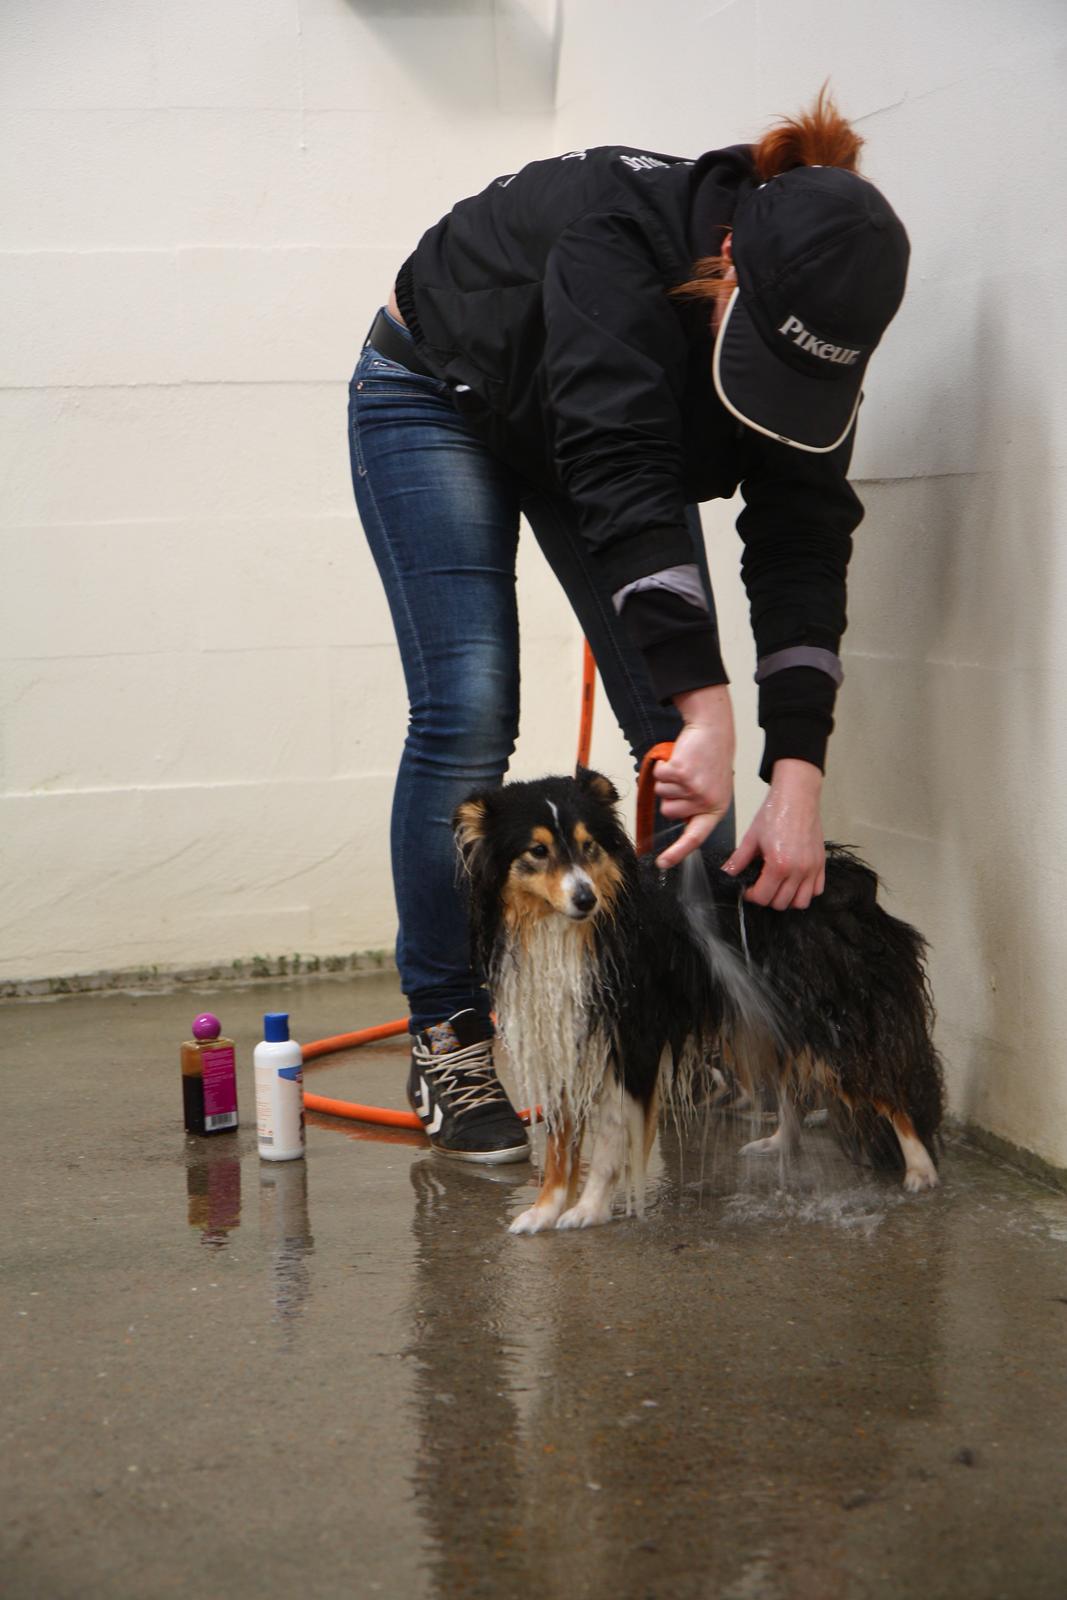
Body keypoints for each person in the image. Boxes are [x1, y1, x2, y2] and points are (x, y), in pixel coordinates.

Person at [347, 90, 910, 1164]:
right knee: (470, 709)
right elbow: (618, 469)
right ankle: (449, 1035)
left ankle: (691, 1016)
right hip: (435, 387)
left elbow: (800, 541)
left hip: (584, 434)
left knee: (675, 724)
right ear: (729, 265)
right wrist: (707, 705)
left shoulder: (822, 310)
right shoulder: (613, 241)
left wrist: (797, 774)